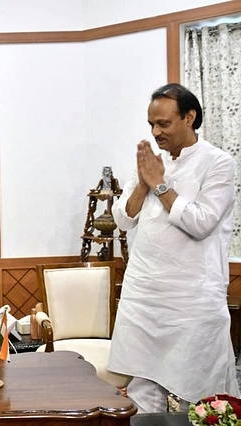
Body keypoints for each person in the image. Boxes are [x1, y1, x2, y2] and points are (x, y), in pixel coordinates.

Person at [107, 83, 240, 412]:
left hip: (191, 302)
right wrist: (143, 181)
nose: (155, 131)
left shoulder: (218, 163)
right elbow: (124, 220)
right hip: (145, 297)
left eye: (163, 124)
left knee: (197, 397)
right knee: (142, 392)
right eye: (151, 124)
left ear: (190, 117)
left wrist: (160, 185)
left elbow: (201, 223)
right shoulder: (152, 161)